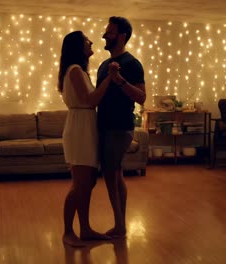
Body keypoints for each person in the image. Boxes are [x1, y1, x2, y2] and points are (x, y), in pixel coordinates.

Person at [58, 31, 119, 246]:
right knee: (80, 184)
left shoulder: (80, 71)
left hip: (85, 126)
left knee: (88, 182)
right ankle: (68, 232)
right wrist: (110, 79)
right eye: (86, 40)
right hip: (79, 129)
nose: (91, 41)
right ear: (77, 46)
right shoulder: (74, 70)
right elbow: (90, 99)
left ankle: (85, 228)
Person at [96, 17, 146, 238]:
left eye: (110, 32)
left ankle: (119, 226)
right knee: (116, 174)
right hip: (104, 127)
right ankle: (120, 224)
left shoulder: (132, 64)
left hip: (120, 127)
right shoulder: (103, 65)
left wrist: (120, 80)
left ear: (122, 36)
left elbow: (142, 97)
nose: (104, 35)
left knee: (111, 174)